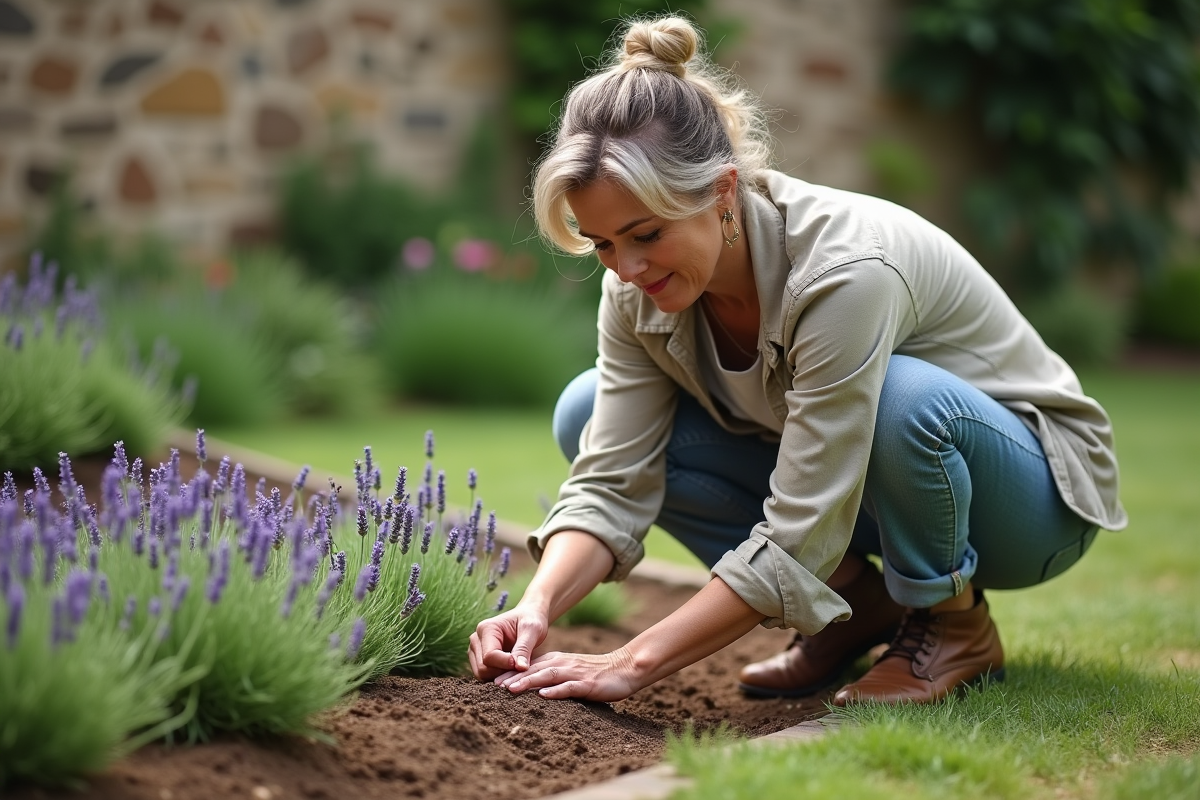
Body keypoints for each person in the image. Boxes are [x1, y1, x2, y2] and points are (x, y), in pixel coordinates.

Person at [467, 15, 1126, 706]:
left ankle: (953, 624)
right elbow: (609, 481)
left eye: (646, 234)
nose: (625, 268)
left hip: (1032, 501)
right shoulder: (634, 293)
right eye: (601, 242)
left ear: (722, 193)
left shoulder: (845, 272)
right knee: (585, 408)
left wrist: (630, 662)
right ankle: (859, 606)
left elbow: (801, 526)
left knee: (901, 400)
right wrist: (537, 606)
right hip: (873, 492)